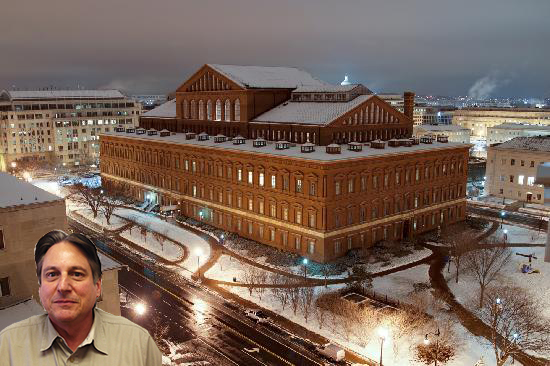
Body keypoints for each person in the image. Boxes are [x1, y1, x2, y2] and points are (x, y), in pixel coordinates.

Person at [0, 230, 162, 365]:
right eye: (52, 274)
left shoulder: (138, 346)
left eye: (76, 274)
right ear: (41, 289)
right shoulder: (9, 348)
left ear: (97, 286)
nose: (63, 287)